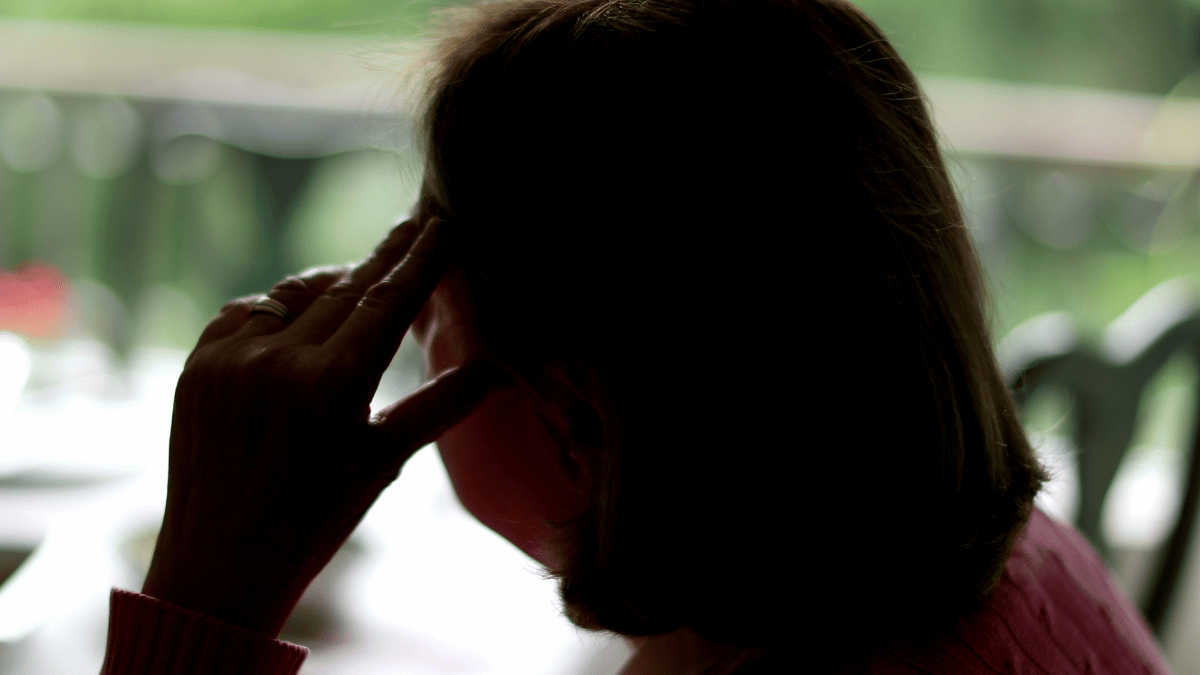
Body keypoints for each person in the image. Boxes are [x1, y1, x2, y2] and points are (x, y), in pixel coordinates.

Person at [98, 0, 1174, 673]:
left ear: (578, 418)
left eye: (425, 310)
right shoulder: (985, 552)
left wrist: (205, 595)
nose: (396, 328)